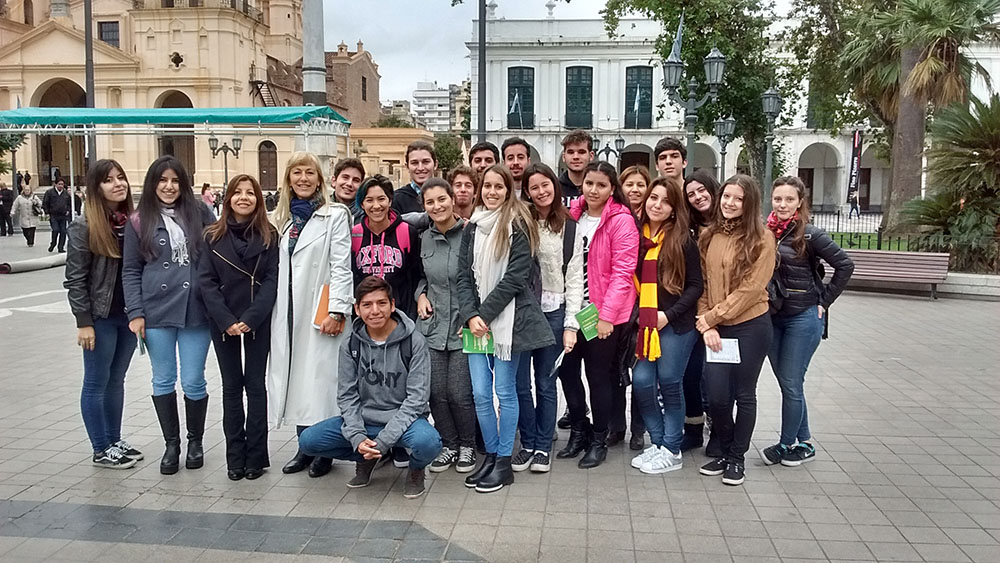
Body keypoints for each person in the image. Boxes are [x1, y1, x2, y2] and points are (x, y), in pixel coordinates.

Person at [298, 276, 441, 499]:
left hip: (405, 422)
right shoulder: (351, 343)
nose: (375, 311)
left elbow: (417, 400)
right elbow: (347, 395)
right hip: (365, 420)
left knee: (429, 443)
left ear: (392, 305)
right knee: (308, 441)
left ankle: (415, 470)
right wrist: (356, 436)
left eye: (381, 303)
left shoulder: (414, 342)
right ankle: (365, 457)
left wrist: (383, 442)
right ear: (357, 309)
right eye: (367, 305)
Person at [457, 164, 553, 493]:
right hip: (476, 324)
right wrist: (471, 316)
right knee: (481, 394)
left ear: (508, 190)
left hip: (508, 322)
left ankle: (502, 462)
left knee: (504, 392)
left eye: (499, 187)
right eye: (487, 187)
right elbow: (463, 276)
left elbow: (516, 277)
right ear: (480, 190)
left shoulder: (518, 224)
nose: (493, 192)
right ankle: (491, 457)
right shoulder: (473, 227)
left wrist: (483, 314)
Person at [123, 156, 217, 475]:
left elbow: (216, 252)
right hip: (156, 310)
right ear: (152, 184)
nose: (169, 186)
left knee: (193, 379)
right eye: (162, 180)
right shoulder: (138, 220)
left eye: (175, 180)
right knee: (163, 378)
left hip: (196, 309)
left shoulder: (200, 213)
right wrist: (135, 312)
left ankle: (195, 441)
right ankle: (171, 444)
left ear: (183, 184)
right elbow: (131, 270)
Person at [268, 152, 353, 479]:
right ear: (288, 179)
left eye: (309, 173)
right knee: (298, 378)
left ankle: (323, 451)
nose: (303, 179)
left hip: (321, 310)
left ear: (320, 180)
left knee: (320, 381)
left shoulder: (335, 214)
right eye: (296, 173)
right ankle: (304, 446)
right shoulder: (284, 219)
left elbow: (341, 265)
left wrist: (338, 309)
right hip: (289, 310)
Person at [761, 176, 854, 467]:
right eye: (778, 199)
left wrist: (823, 302)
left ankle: (786, 443)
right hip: (774, 317)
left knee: (790, 382)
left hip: (803, 318)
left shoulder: (811, 235)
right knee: (790, 382)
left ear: (800, 202)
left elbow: (845, 265)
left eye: (789, 199)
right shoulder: (767, 233)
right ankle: (805, 442)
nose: (783, 204)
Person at [695, 174, 776, 486]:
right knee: (716, 397)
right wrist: (706, 323)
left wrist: (712, 317)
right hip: (717, 328)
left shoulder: (762, 239)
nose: (729, 203)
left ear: (749, 203)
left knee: (744, 394)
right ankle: (725, 451)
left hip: (750, 326)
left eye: (738, 199)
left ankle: (736, 458)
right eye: (726, 196)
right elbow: (703, 284)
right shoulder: (709, 235)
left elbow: (751, 289)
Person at [199, 174, 279, 481]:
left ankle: (256, 456)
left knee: (255, 386)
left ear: (258, 199)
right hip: (223, 321)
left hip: (256, 319)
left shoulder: (269, 235)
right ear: (228, 198)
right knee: (232, 387)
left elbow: (272, 279)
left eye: (250, 193)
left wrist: (253, 316)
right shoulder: (211, 236)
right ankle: (235, 457)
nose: (243, 198)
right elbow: (206, 282)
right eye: (237, 192)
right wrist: (227, 320)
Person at [560, 161, 639, 469]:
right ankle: (578, 428)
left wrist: (606, 316)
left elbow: (623, 273)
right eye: (589, 183)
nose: (593, 190)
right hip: (572, 309)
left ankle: (599, 438)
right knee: (567, 371)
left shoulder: (621, 221)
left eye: (601, 185)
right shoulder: (574, 215)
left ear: (611, 188)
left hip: (601, 314)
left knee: (598, 377)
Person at [64, 159, 143, 469]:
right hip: (100, 316)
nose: (117, 184)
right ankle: (100, 448)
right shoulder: (84, 226)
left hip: (128, 315)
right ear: (96, 188)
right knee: (96, 381)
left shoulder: (132, 222)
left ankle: (114, 438)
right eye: (109, 180)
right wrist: (83, 323)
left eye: (120, 177)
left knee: (116, 380)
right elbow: (75, 278)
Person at [629, 178, 703, 475]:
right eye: (653, 198)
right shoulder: (637, 237)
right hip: (645, 325)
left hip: (676, 324)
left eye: (665, 201)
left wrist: (668, 316)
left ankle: (672, 449)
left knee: (671, 382)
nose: (656, 205)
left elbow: (696, 286)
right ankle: (659, 444)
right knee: (643, 382)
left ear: (674, 209)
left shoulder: (683, 240)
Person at [516, 163, 584, 473]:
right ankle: (527, 441)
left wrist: (571, 324)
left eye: (546, 185)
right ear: (527, 192)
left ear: (555, 187)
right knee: (519, 385)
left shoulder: (570, 226)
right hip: (521, 313)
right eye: (534, 187)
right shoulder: (520, 222)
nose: (541, 192)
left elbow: (574, 280)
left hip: (554, 314)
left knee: (545, 383)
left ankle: (543, 445)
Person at [416, 179, 477, 474]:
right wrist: (420, 295)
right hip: (432, 327)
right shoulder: (423, 237)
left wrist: (472, 316)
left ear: (453, 199)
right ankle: (448, 444)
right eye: (430, 203)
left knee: (459, 393)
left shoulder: (471, 234)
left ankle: (467, 444)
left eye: (442, 199)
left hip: (464, 327)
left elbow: (481, 280)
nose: (437, 207)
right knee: (435, 392)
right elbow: (420, 277)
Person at [680, 169, 722, 454]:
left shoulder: (730, 223)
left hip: (725, 311)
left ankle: (720, 432)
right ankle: (693, 429)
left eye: (701, 190)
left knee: (718, 376)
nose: (697, 197)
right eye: (691, 194)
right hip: (696, 309)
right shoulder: (689, 228)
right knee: (691, 373)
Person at [351, 174, 422, 322]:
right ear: (362, 204)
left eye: (381, 199)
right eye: (369, 200)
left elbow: (414, 277)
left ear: (390, 201)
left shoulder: (407, 232)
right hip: (365, 317)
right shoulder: (354, 234)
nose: (376, 206)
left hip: (400, 315)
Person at [393, 141, 437, 215]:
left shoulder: (446, 196)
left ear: (435, 164)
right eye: (414, 163)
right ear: (407, 166)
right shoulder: (397, 199)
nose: (420, 168)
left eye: (425, 162)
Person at [558, 130, 594, 201]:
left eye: (581, 152)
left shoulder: (598, 189)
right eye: (570, 152)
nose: (576, 157)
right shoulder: (554, 189)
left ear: (591, 156)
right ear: (564, 157)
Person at [43, 177, 72, 253]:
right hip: (53, 215)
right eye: (59, 184)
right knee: (55, 230)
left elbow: (69, 203)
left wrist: (68, 210)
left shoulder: (66, 193)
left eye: (62, 184)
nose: (60, 186)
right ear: (55, 184)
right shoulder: (49, 193)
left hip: (63, 215)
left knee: (63, 231)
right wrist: (47, 212)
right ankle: (53, 243)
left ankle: (61, 247)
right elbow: (45, 203)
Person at [332, 158, 366, 222]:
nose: (349, 184)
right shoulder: (319, 210)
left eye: (356, 180)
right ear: (334, 181)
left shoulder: (367, 216)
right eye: (345, 177)